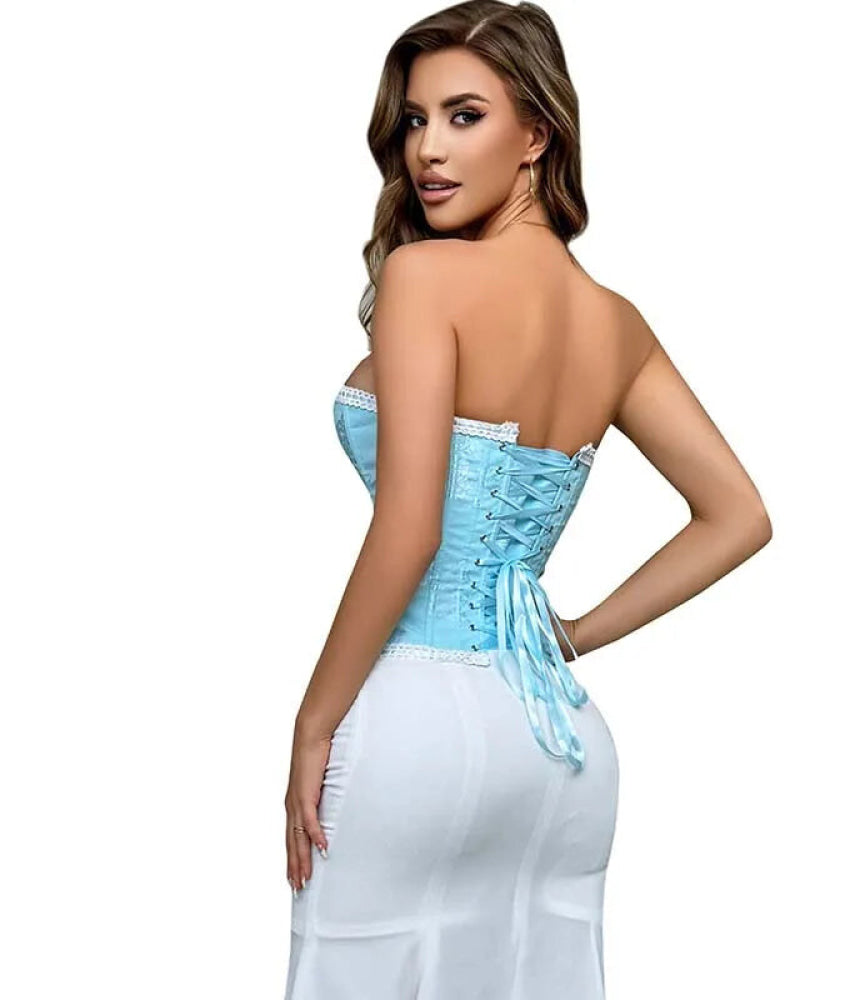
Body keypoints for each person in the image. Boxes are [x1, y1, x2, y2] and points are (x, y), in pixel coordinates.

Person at [283, 3, 772, 997]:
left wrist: (312, 721)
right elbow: (738, 514)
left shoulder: (425, 277)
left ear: (537, 134)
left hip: (417, 726)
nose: (427, 149)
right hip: (561, 746)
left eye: (464, 116)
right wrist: (572, 636)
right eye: (414, 120)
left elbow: (411, 529)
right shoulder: (614, 323)